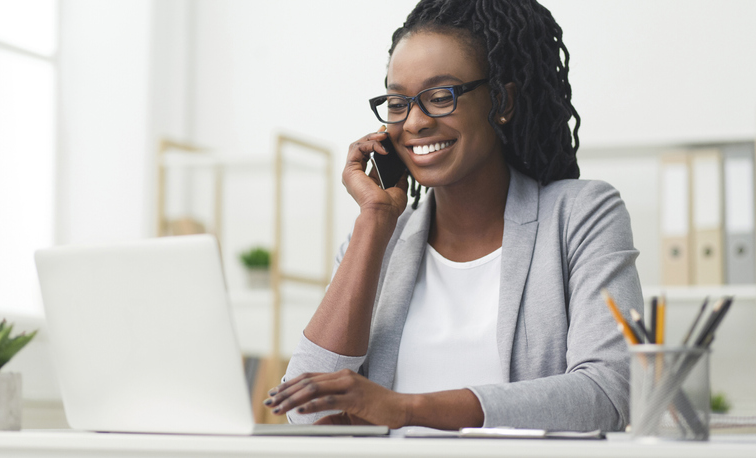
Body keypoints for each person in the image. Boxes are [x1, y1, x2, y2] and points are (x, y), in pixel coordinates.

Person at [263, 0, 643, 431]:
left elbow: (610, 393)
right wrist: (374, 219)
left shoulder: (580, 216)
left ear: (502, 100)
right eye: (397, 102)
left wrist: (407, 409)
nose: (415, 122)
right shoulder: (377, 240)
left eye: (440, 97)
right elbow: (303, 411)